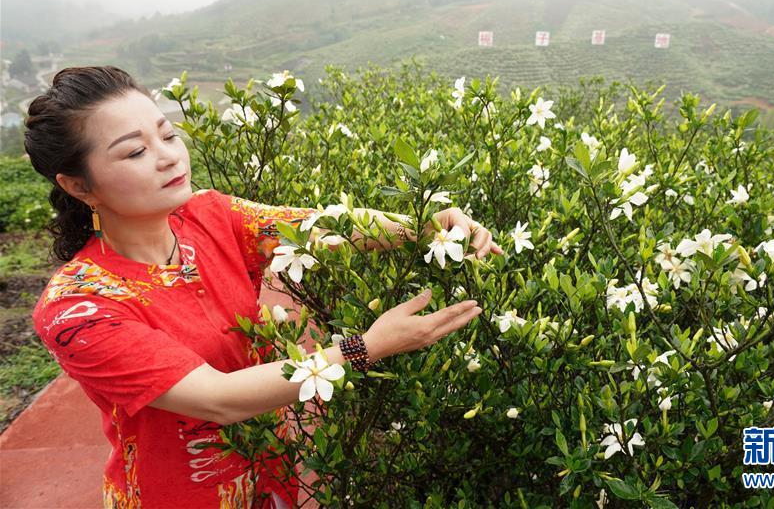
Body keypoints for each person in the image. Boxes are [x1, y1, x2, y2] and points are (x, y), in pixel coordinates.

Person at [24, 66, 503, 508]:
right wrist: (366, 348)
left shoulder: (210, 215)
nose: (168, 156)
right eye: (135, 151)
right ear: (79, 186)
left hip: (268, 473)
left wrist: (420, 226)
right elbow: (218, 398)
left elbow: (316, 226)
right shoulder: (78, 306)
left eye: (167, 134)